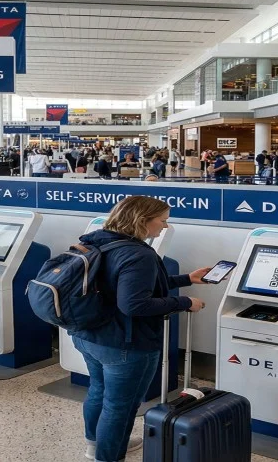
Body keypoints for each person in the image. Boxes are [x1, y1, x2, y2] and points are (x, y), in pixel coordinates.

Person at [70, 196, 210, 462]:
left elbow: (127, 284)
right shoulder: (139, 253)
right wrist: (184, 301)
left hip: (89, 334)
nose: (165, 227)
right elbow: (134, 303)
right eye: (162, 221)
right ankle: (108, 457)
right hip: (124, 343)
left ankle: (94, 445)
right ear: (142, 221)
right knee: (119, 406)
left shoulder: (97, 240)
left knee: (98, 390)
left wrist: (186, 279)